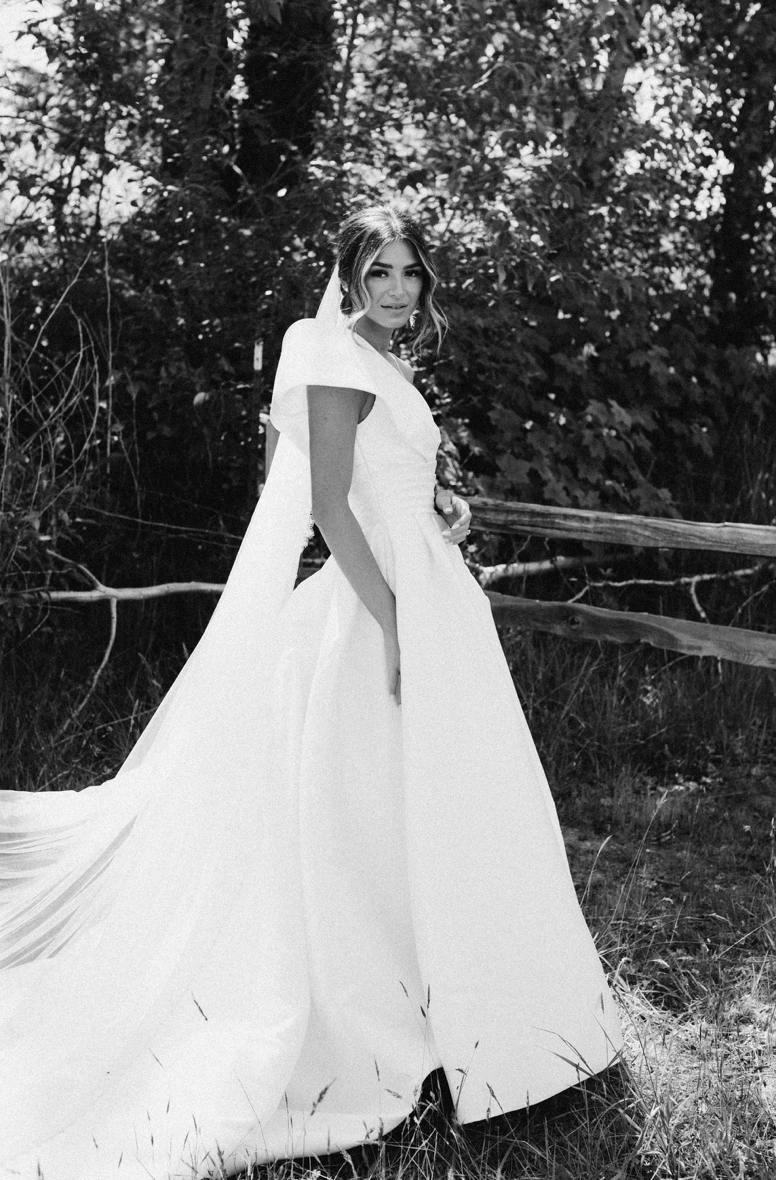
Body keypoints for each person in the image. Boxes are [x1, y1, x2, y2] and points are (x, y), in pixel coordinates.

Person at [0, 204, 622, 1180]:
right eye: (380, 272)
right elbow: (329, 508)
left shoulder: (387, 358)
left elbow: (383, 479)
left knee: (456, 800)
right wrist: (395, 623)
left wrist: (438, 501)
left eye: (410, 273)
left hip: (429, 590)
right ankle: (382, 1013)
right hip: (381, 606)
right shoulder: (331, 357)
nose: (398, 290)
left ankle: (478, 1006)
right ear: (348, 277)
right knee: (370, 811)